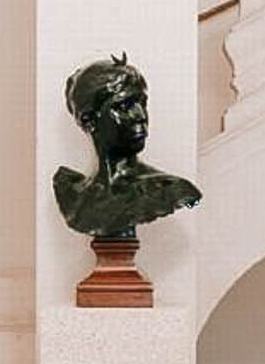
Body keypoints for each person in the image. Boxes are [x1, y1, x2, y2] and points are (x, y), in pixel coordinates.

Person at [52, 54, 201, 238]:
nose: (140, 115)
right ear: (89, 120)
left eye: (142, 103)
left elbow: (190, 200)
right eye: (124, 106)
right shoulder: (72, 194)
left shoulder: (170, 189)